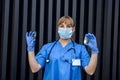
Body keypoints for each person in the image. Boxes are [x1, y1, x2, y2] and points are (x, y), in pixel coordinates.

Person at [26, 16, 99, 80]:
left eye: (68, 26)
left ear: (73, 29)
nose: (65, 29)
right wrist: (30, 49)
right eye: (62, 26)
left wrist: (94, 51)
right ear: (58, 28)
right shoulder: (47, 48)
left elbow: (90, 71)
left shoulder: (80, 49)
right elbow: (34, 69)